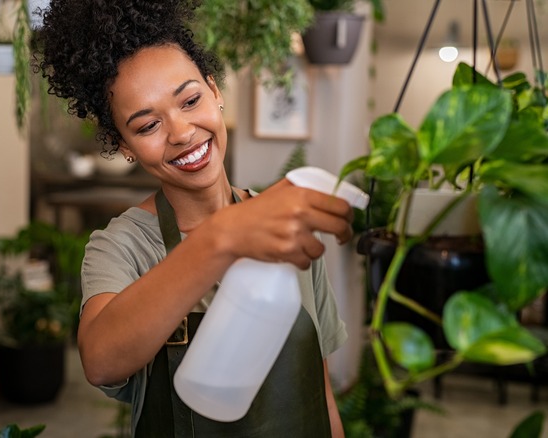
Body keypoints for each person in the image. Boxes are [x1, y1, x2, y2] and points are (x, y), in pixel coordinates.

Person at [34, 1, 354, 436]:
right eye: (147, 126)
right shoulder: (124, 246)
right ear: (125, 146)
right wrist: (219, 238)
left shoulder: (285, 225)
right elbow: (101, 360)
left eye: (190, 100)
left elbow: (320, 393)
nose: (182, 132)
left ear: (215, 91)